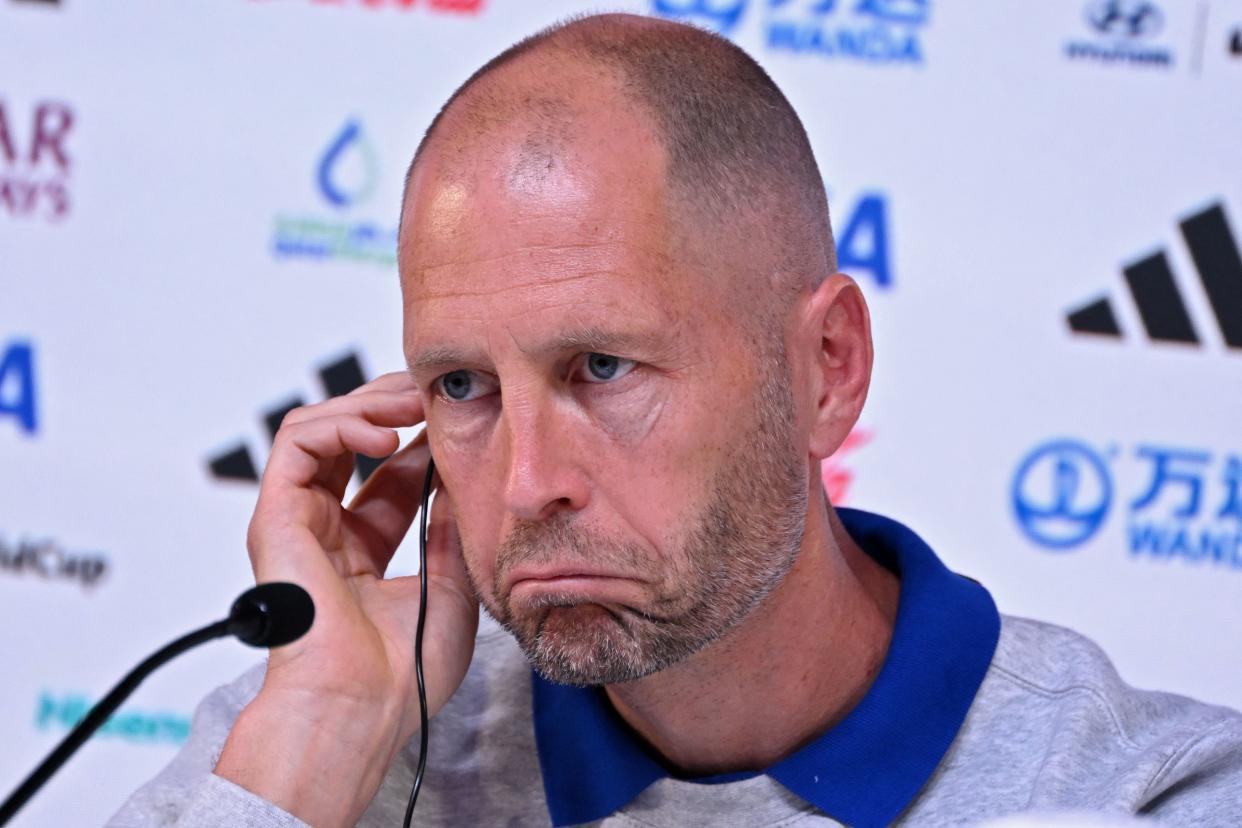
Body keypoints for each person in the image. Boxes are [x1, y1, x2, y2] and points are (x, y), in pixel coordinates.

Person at [109, 13, 1242, 828]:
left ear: (827, 369)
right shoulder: (320, 745)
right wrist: (318, 731)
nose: (521, 484)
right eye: (462, 386)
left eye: (602, 367)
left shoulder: (1137, 793)